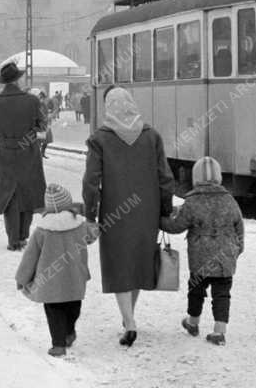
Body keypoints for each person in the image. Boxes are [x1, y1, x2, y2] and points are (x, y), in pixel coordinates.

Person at [82, 86, 174, 347]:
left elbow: (91, 181)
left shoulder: (100, 139)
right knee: (138, 264)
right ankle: (129, 318)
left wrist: (91, 214)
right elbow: (165, 177)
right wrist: (165, 210)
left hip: (114, 211)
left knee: (119, 264)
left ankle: (129, 321)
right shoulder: (151, 136)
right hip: (147, 210)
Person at [160, 156, 244, 347]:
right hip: (225, 259)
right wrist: (238, 249)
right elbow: (239, 226)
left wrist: (159, 221)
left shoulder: (193, 201)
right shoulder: (229, 199)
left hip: (200, 258)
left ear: (195, 177)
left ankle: (193, 323)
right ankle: (219, 331)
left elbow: (176, 226)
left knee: (196, 290)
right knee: (222, 294)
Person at [15, 183, 96, 358]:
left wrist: (21, 278)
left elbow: (30, 257)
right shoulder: (80, 224)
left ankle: (58, 344)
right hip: (75, 277)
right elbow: (91, 237)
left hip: (49, 280)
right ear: (69, 203)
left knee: (54, 311)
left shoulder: (42, 230)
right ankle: (68, 332)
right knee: (73, 307)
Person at [0, 61, 47, 251]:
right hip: (28, 152)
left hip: (4, 154)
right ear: (18, 79)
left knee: (9, 195)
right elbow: (42, 126)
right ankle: (23, 235)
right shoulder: (32, 101)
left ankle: (13, 239)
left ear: (3, 82)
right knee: (28, 191)